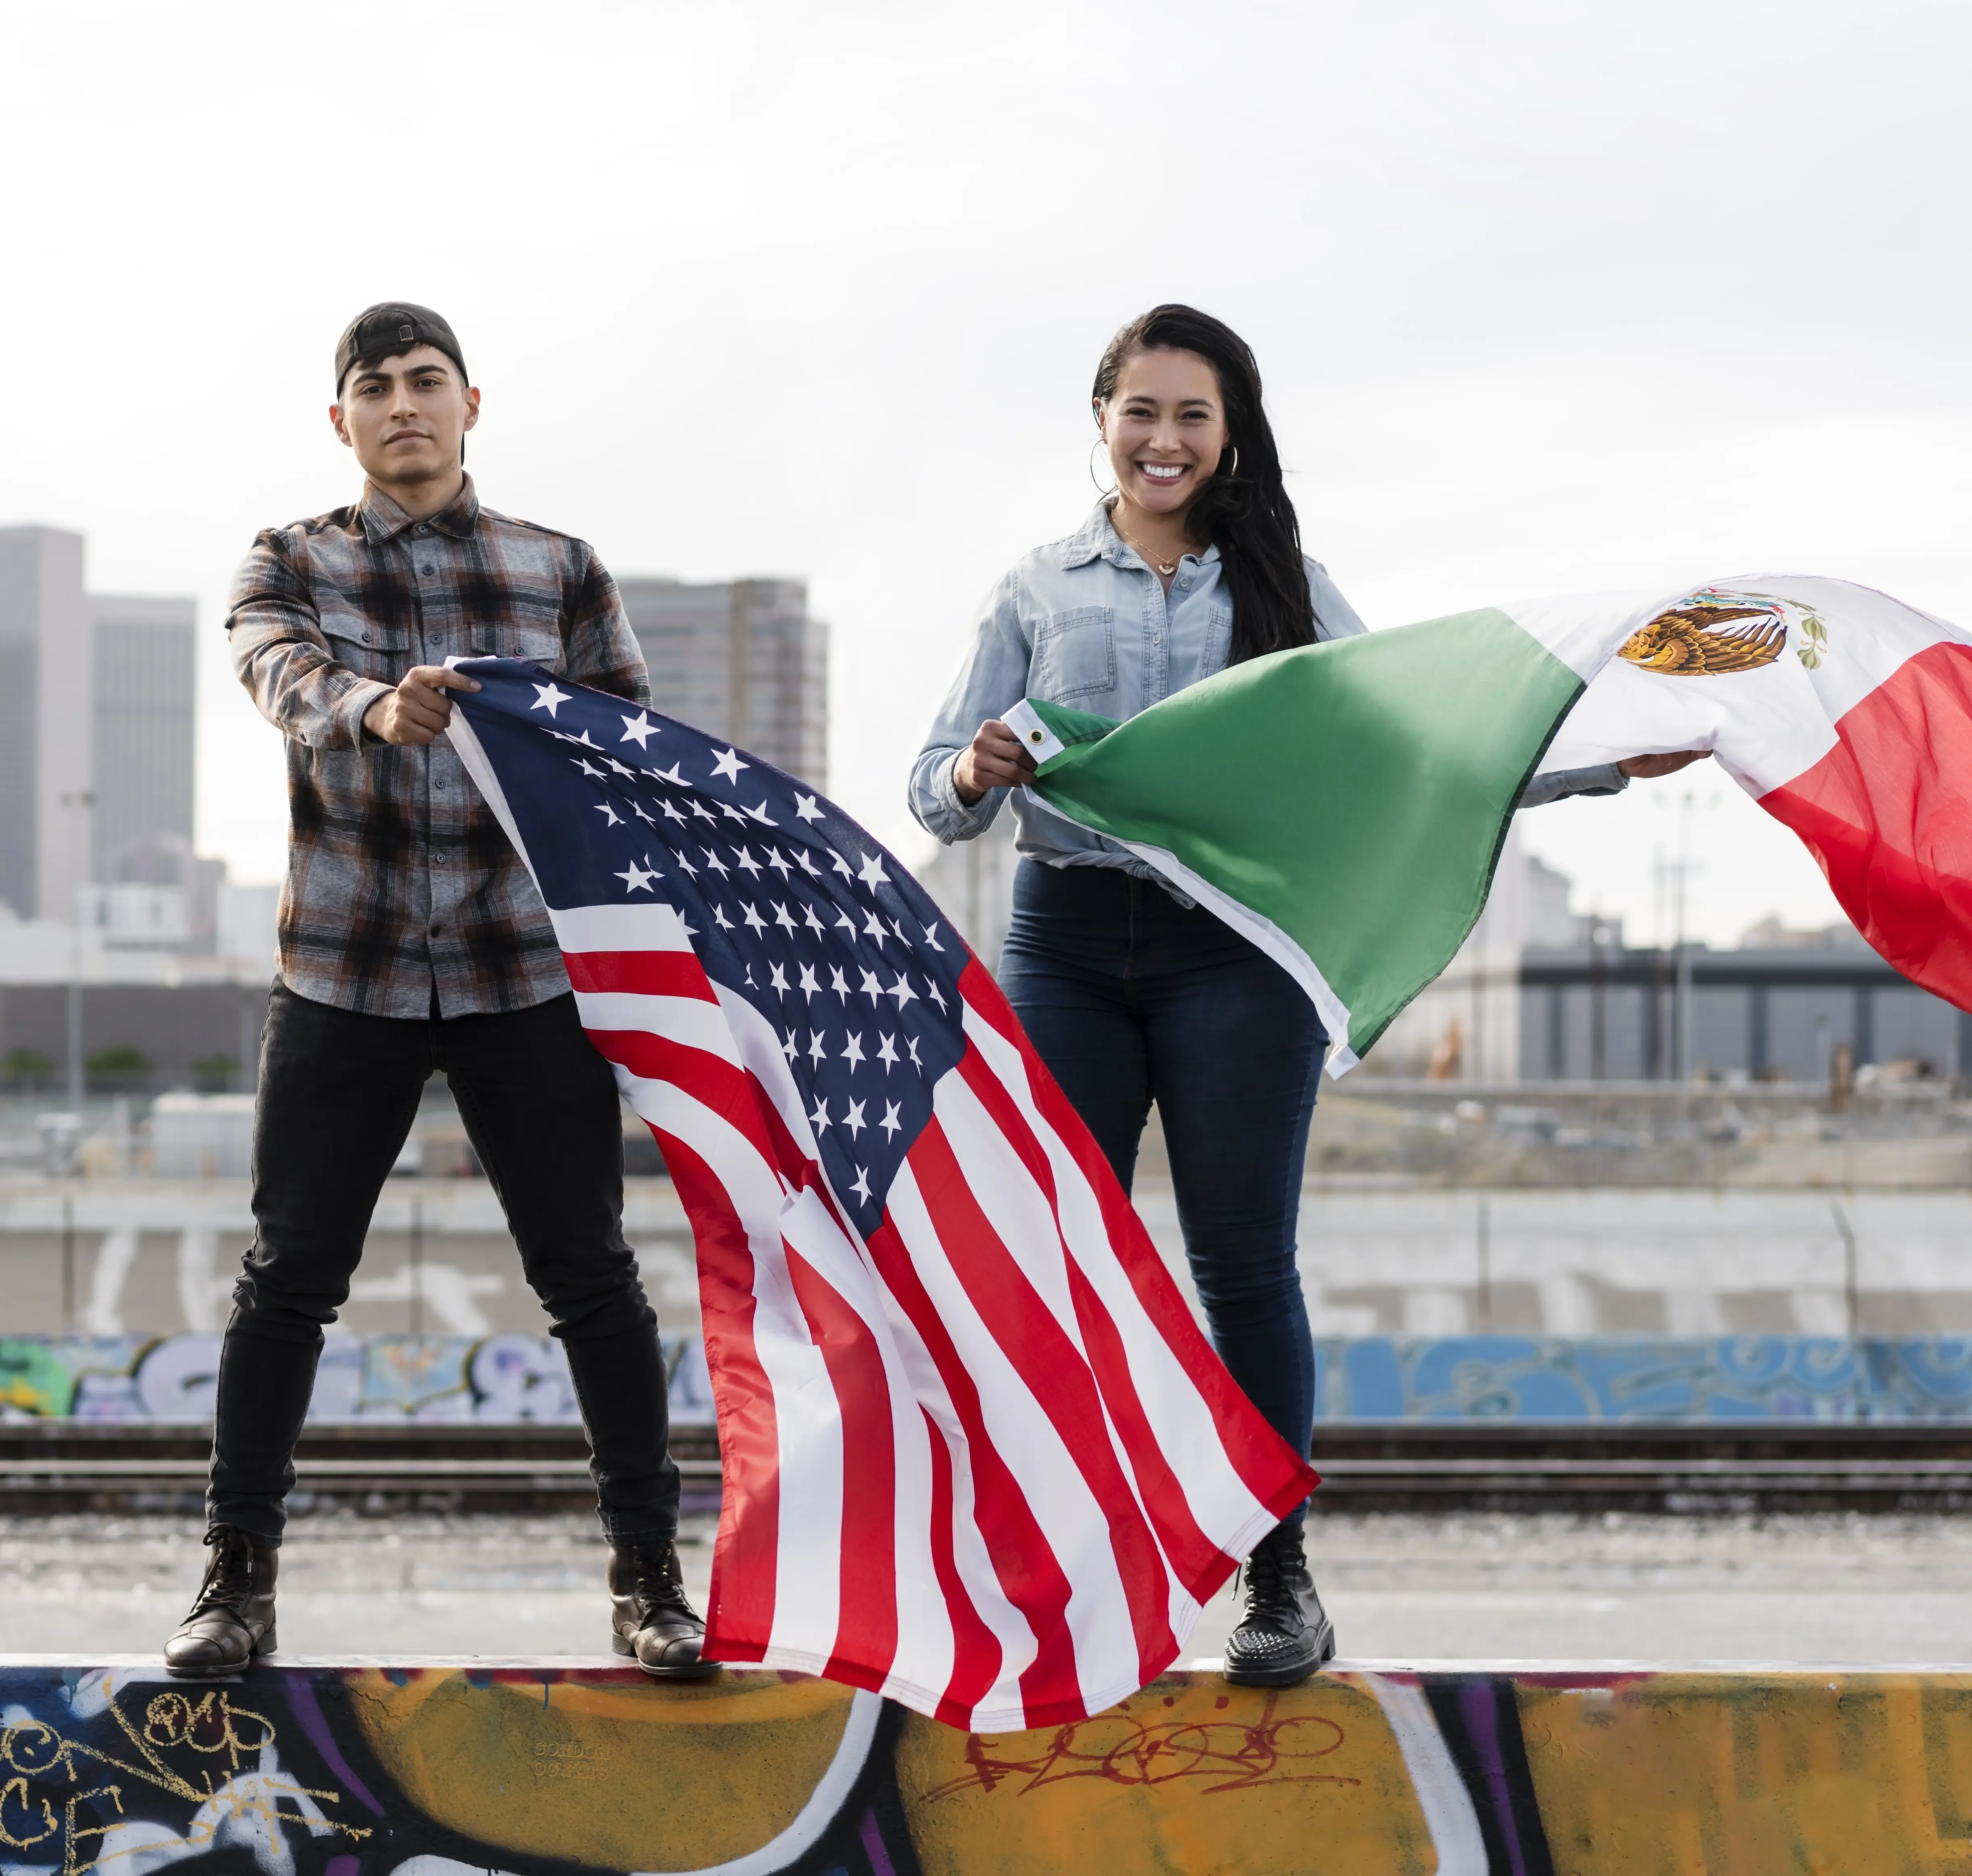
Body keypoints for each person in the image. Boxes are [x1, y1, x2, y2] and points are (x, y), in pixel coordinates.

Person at [910, 302, 1701, 1686]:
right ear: (1100, 420)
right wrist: (971, 773)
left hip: (1237, 953)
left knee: (1239, 1263)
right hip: (1066, 947)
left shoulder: (1282, 586)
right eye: (1141, 412)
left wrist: (1599, 755)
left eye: (1192, 417)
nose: (1164, 440)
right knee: (1064, 1266)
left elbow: (1418, 743)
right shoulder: (1033, 593)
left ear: (1228, 437)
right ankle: (1071, 1567)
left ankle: (1276, 1579)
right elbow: (929, 787)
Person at [162, 303, 709, 1681]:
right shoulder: (287, 557)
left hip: (525, 970)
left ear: (473, 402)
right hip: (343, 970)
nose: (403, 406)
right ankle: (236, 1584)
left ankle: (650, 1582)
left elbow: (629, 749)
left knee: (591, 1277)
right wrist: (365, 706)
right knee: (288, 1280)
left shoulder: (560, 568)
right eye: (375, 389)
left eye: (426, 383)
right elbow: (274, 669)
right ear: (337, 420)